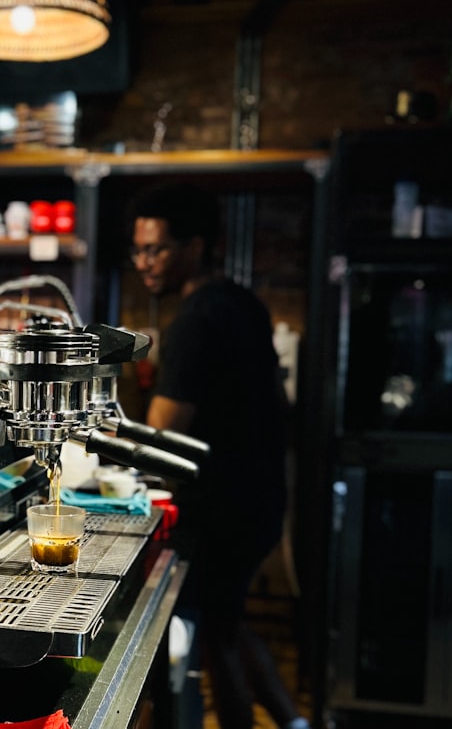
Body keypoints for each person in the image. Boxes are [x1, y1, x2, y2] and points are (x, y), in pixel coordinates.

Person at [127, 182, 309, 729]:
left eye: (156, 249)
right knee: (228, 625)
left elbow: (163, 434)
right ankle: (293, 722)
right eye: (137, 250)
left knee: (214, 637)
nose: (144, 263)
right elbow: (275, 403)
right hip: (259, 499)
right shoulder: (243, 302)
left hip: (219, 511)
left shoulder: (194, 321)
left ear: (196, 246)